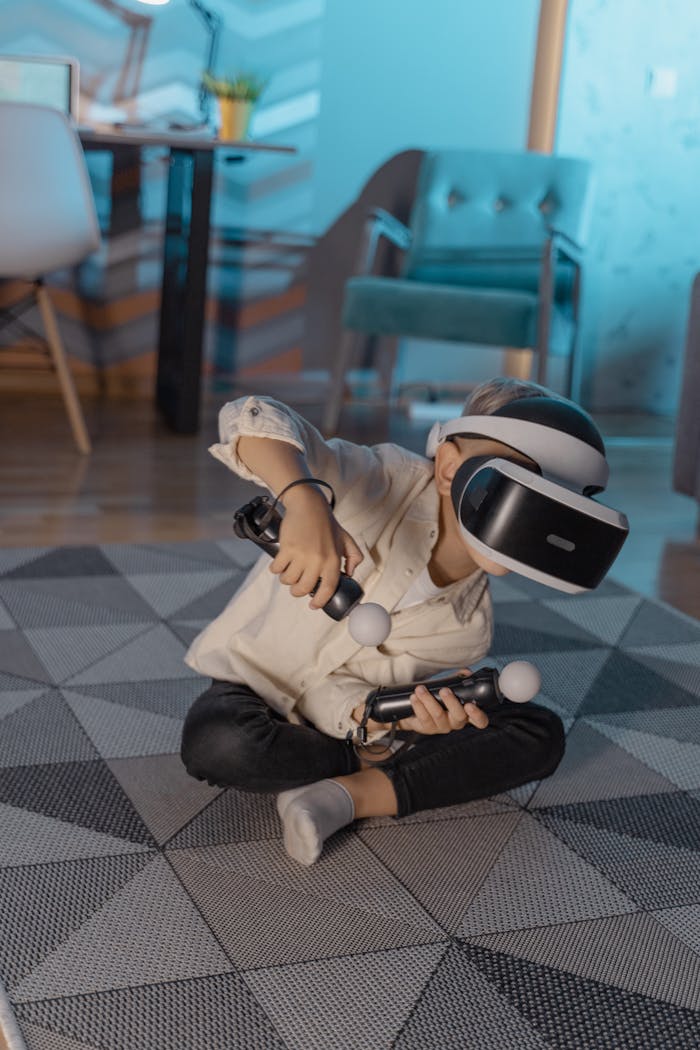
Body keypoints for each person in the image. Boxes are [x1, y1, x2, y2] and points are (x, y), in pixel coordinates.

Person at [181, 377, 567, 865]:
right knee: (220, 743)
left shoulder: (468, 632)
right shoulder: (378, 477)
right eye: (515, 480)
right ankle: (368, 769)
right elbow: (250, 416)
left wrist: (395, 719)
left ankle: (344, 797)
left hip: (346, 719)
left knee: (540, 735)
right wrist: (304, 500)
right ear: (449, 466)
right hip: (254, 686)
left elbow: (347, 686)